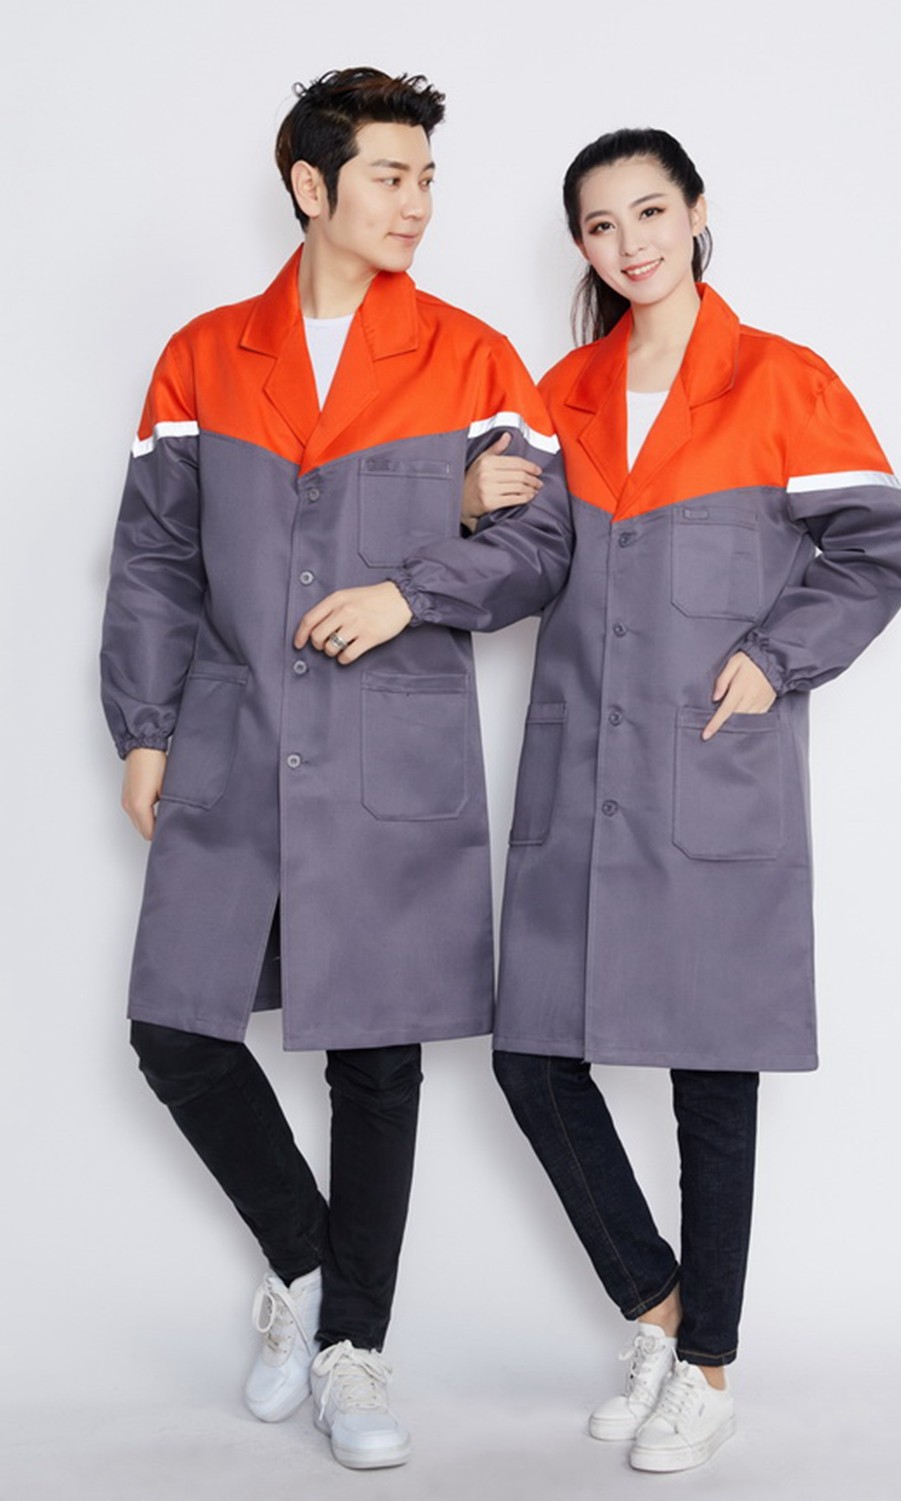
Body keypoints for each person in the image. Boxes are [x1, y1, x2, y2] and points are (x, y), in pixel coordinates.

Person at [300, 127, 901, 1473]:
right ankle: (663, 1312)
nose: (630, 243)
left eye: (649, 212)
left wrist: (777, 656)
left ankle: (709, 1370)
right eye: (599, 224)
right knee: (532, 1058)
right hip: (579, 776)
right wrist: (459, 514)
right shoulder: (564, 393)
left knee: (713, 1074)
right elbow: (527, 566)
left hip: (715, 768)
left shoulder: (783, 381)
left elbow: (878, 548)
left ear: (695, 213)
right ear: (580, 245)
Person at [99, 67, 568, 1472]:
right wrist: (144, 726)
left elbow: (541, 546)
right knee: (177, 1031)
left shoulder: (473, 358)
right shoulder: (203, 357)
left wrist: (412, 588)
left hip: (389, 744)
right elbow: (155, 556)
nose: (416, 204)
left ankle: (355, 1344)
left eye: (426, 179)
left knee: (375, 1052)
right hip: (234, 735)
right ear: (312, 186)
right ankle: (312, 1272)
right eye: (389, 176)